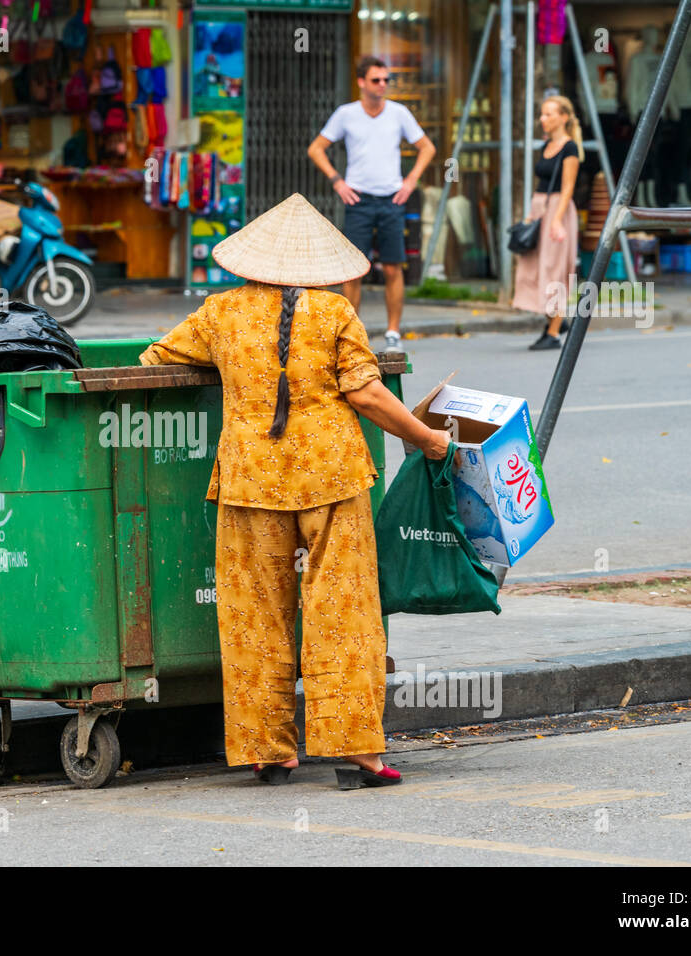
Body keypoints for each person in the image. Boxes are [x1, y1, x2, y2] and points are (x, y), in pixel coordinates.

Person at [139, 193, 451, 788]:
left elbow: (156, 359)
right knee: (344, 611)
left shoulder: (217, 314)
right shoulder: (335, 314)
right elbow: (366, 393)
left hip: (249, 479)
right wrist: (427, 440)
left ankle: (269, 749)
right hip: (330, 477)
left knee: (253, 615)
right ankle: (356, 752)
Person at [308, 55, 436, 353]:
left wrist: (411, 180)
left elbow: (427, 147)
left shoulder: (399, 113)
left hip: (392, 199)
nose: (383, 85)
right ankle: (351, 332)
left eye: (386, 80)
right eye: (376, 80)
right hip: (359, 200)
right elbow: (316, 148)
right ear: (361, 82)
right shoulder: (346, 114)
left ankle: (393, 332)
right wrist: (337, 181)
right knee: (354, 270)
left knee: (393, 267)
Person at [513, 95, 581, 351]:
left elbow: (568, 187)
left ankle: (553, 333)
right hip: (540, 208)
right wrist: (532, 216)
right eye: (542, 114)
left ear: (563, 117)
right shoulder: (545, 146)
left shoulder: (570, 148)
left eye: (549, 114)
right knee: (532, 268)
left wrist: (556, 220)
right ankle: (556, 319)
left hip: (558, 211)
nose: (543, 119)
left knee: (554, 271)